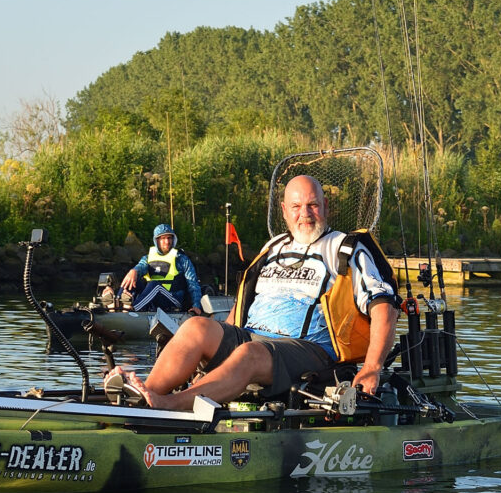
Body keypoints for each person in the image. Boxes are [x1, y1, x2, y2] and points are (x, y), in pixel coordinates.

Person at [107, 175, 399, 411]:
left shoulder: (346, 248)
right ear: (284, 211)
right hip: (252, 336)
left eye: (313, 205)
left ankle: (168, 405)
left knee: (249, 353)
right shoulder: (272, 248)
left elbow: (384, 306)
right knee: (195, 326)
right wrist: (220, 342)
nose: (305, 215)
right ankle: (144, 394)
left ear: (326, 207)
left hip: (309, 350)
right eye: (296, 207)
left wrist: (372, 367)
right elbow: (244, 303)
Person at [119, 224, 203, 315]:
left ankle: (133, 310)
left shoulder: (182, 259)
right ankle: (115, 304)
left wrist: (196, 305)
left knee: (155, 285)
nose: (167, 242)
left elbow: (193, 284)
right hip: (152, 298)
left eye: (169, 238)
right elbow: (141, 266)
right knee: (131, 279)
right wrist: (134, 271)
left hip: (173, 300)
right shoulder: (147, 258)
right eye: (163, 238)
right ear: (156, 240)